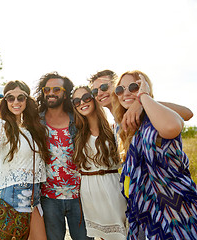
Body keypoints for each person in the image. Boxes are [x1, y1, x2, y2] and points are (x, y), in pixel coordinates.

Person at [112, 70, 197, 239]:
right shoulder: (128, 127)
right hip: (143, 213)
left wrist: (143, 97)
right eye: (120, 90)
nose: (126, 92)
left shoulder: (156, 118)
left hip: (175, 212)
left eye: (133, 86)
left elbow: (178, 121)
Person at [0, 80, 50, 240]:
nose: (16, 102)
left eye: (20, 97)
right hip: (13, 196)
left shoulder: (33, 128)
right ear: (5, 101)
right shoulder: (2, 126)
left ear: (27, 100)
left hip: (34, 196)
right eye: (10, 98)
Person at [35, 72, 92, 240]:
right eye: (47, 89)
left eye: (56, 89)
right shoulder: (36, 122)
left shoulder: (79, 120)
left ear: (65, 93)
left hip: (79, 196)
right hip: (49, 197)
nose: (51, 93)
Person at [71, 85, 127, 240]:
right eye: (76, 101)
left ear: (94, 98)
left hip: (111, 185)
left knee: (121, 233)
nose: (82, 102)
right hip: (89, 189)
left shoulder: (112, 128)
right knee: (101, 236)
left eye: (86, 97)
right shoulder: (77, 133)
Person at [89, 69, 193, 132]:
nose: (99, 93)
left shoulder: (145, 112)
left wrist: (140, 102)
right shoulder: (114, 127)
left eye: (103, 87)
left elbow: (187, 114)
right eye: (94, 91)